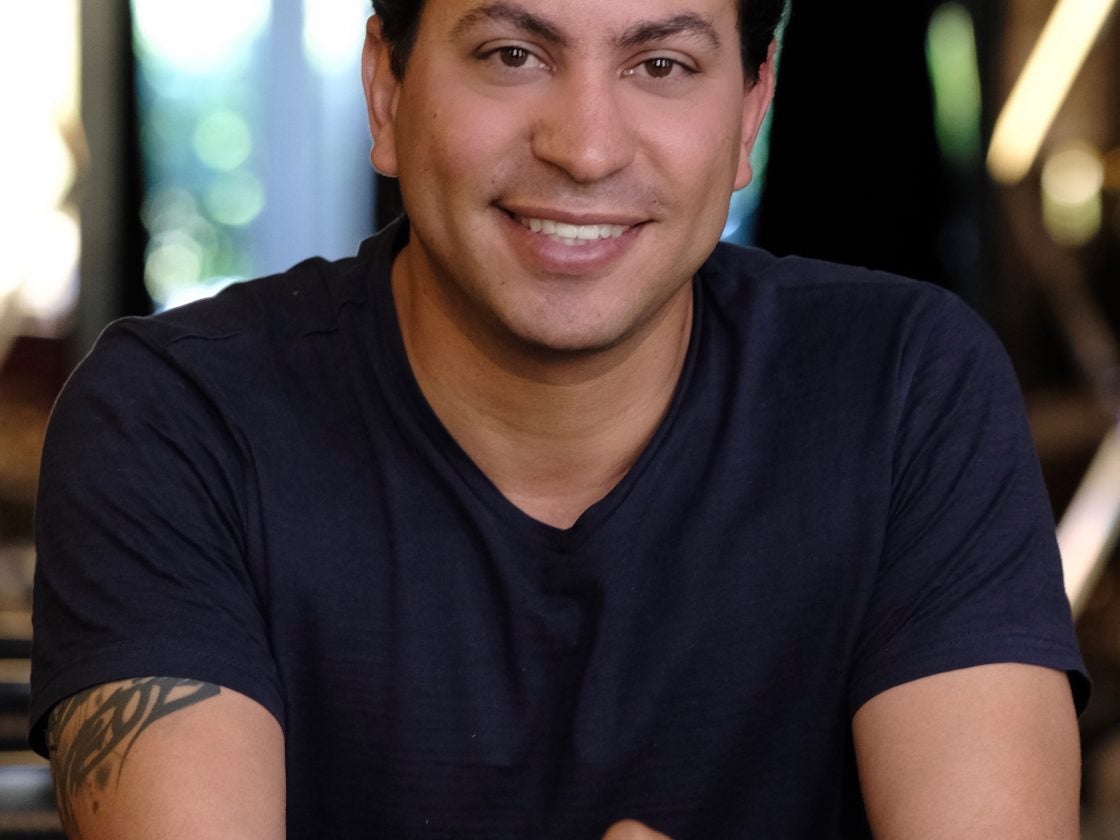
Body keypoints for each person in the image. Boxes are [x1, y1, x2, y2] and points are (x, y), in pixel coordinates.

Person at [29, 0, 1088, 837]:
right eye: (511, 55)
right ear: (387, 88)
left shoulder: (905, 388)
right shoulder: (177, 420)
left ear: (749, 114)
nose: (584, 148)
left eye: (661, 65)